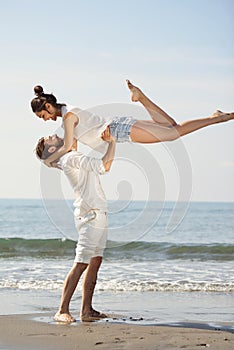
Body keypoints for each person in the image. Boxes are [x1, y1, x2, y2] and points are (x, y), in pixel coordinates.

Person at [31, 80, 234, 167]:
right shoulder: (68, 114)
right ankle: (140, 97)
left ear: (48, 107)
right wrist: (58, 163)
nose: (45, 120)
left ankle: (217, 118)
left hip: (120, 131)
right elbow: (72, 150)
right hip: (119, 127)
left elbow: (67, 146)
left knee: (174, 133)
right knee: (171, 126)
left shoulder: (68, 117)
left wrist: (47, 161)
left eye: (43, 116)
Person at [35, 130, 116, 322]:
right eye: (51, 138)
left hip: (98, 213)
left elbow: (71, 142)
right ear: (53, 148)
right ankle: (62, 310)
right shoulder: (71, 158)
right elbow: (104, 166)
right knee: (81, 263)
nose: (56, 134)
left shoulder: (67, 157)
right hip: (90, 216)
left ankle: (87, 310)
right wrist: (112, 142)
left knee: (95, 261)